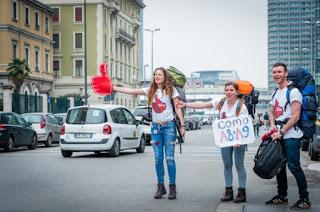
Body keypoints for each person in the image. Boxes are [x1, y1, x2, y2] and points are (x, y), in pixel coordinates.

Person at [113, 67, 185, 200]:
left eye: (160, 74)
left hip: (169, 127)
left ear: (165, 77)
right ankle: (160, 187)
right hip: (156, 128)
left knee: (169, 158)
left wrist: (182, 125)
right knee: (158, 159)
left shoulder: (171, 90)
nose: (157, 76)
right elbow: (131, 91)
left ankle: (172, 187)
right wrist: (114, 88)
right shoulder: (150, 90)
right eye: (155, 74)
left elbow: (178, 108)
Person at [176, 81, 248, 203]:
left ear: (236, 92)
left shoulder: (241, 106)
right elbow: (203, 105)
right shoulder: (221, 102)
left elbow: (244, 125)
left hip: (238, 140)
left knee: (239, 165)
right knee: (227, 165)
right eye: (227, 90)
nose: (229, 92)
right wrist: (186, 104)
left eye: (231, 90)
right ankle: (228, 191)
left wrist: (239, 140)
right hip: (225, 139)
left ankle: (242, 192)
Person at [265, 62, 311, 209]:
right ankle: (282, 196)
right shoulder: (275, 92)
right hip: (278, 134)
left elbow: (295, 115)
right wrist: (272, 126)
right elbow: (271, 111)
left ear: (285, 74)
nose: (276, 74)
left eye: (279, 72)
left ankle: (305, 199)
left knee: (294, 167)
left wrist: (282, 131)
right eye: (274, 72)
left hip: (291, 135)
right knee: (279, 166)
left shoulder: (293, 91)